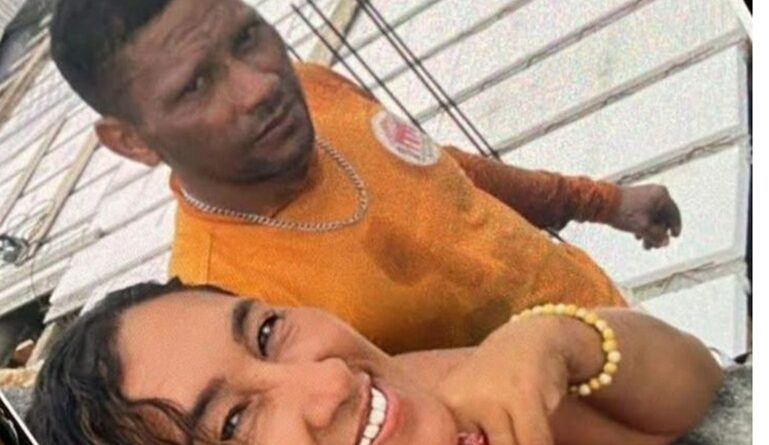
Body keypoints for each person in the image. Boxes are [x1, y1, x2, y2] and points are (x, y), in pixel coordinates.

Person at [49, 0, 683, 352]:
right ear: (131, 141)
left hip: (624, 326)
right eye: (195, 85)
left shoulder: (315, 90)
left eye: (247, 38)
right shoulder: (235, 307)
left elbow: (441, 171)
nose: (260, 86)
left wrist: (603, 202)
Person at [27, 279, 722, 445]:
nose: (331, 380)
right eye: (234, 422)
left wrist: (557, 339)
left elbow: (693, 394)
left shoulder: (438, 401)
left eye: (267, 331)